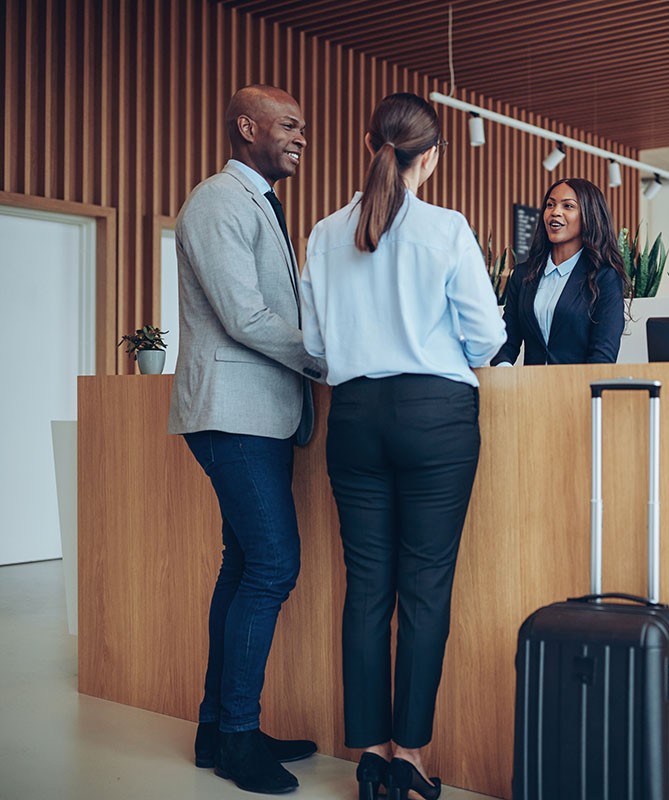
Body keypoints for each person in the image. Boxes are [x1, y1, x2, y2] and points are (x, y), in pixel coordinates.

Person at [300, 92, 505, 800]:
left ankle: (371, 755)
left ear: (368, 144)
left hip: (353, 416)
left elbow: (315, 347)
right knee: (423, 588)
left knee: (367, 589)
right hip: (435, 416)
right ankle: (410, 757)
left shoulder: (325, 233)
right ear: (433, 158)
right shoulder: (446, 229)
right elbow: (486, 338)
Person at [168, 84, 326, 794]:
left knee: (242, 569)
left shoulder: (256, 202)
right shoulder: (218, 201)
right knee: (271, 567)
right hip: (232, 416)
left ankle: (217, 729)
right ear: (246, 126)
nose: (300, 136)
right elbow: (243, 314)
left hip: (256, 416)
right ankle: (236, 739)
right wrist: (326, 356)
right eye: (289, 125)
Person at [491, 177, 628, 366]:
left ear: (589, 215)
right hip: (528, 390)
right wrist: (503, 370)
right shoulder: (523, 274)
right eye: (550, 205)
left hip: (578, 389)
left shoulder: (605, 277)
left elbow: (603, 354)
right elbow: (507, 341)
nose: (555, 212)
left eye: (568, 206)